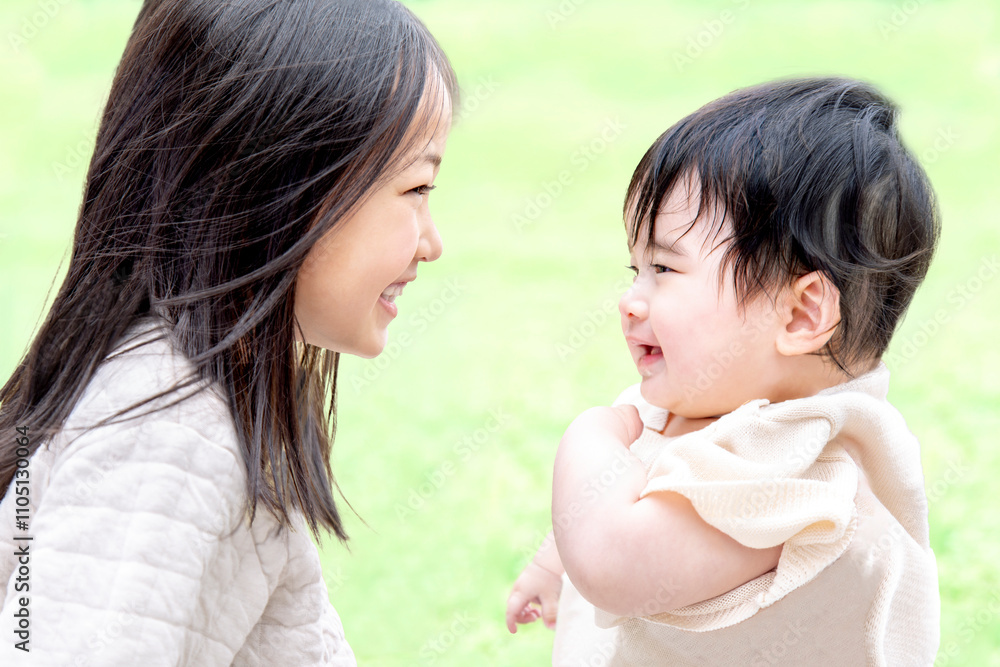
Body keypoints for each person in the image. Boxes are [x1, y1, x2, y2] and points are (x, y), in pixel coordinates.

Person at [0, 0, 456, 664]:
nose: (431, 243)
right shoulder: (169, 422)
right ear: (281, 189)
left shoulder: (197, 393)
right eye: (417, 189)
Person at [506, 77, 941, 665]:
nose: (630, 301)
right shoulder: (711, 412)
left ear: (801, 313)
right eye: (635, 269)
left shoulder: (796, 468)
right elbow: (630, 487)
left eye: (664, 269)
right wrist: (551, 563)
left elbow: (614, 560)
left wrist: (589, 433)